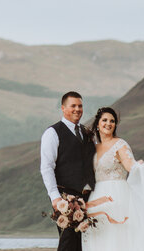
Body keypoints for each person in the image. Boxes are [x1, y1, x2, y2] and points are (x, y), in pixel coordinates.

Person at [82, 107, 144, 251]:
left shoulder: (120, 144)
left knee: (119, 238)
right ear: (97, 124)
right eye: (105, 120)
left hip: (118, 196)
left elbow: (129, 165)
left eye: (112, 121)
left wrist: (139, 166)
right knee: (99, 239)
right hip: (97, 198)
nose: (109, 123)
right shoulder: (93, 148)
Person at [40, 91, 96, 251]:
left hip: (90, 197)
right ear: (63, 108)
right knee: (68, 243)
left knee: (84, 244)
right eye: (73, 106)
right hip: (66, 198)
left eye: (80, 106)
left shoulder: (86, 133)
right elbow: (46, 167)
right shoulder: (52, 133)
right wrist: (55, 198)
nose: (77, 109)